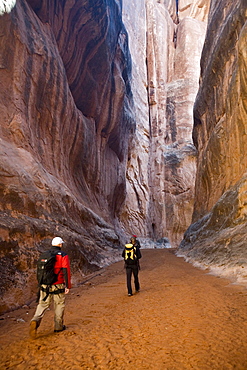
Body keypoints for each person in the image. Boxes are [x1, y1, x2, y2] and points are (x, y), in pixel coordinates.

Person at [29, 237, 71, 339]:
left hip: (44, 285)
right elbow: (66, 271)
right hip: (58, 284)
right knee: (59, 304)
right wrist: (67, 286)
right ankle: (58, 327)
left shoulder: (44, 255)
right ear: (60, 245)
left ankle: (35, 320)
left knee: (43, 304)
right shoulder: (63, 256)